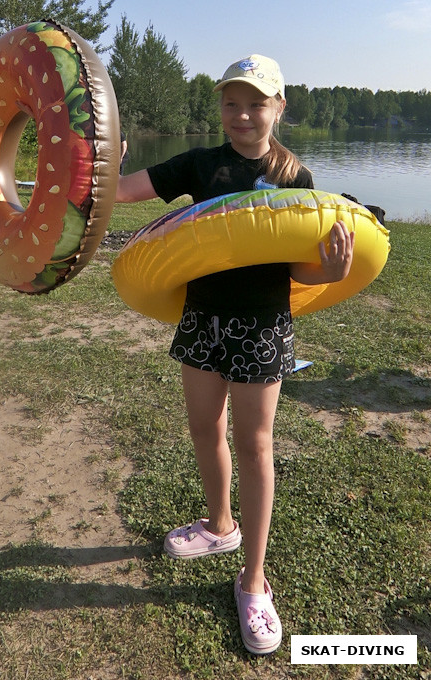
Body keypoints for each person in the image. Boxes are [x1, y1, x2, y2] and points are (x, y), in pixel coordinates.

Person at [116, 54, 354, 655]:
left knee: (254, 444)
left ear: (278, 108)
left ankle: (253, 582)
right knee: (204, 427)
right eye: (231, 102)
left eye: (256, 103)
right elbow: (126, 191)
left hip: (262, 324)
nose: (243, 114)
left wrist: (327, 268)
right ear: (220, 107)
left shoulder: (296, 177)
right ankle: (220, 527)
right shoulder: (200, 162)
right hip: (203, 319)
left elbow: (298, 262)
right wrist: (100, 170)